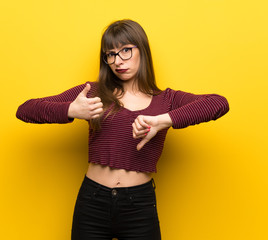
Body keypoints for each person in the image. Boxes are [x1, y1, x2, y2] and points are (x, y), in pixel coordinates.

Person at [16, 19, 229, 240]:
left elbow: (218, 103)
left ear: (142, 51)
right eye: (111, 54)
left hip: (139, 205)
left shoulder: (166, 99)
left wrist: (163, 120)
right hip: (92, 202)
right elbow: (25, 110)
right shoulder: (92, 93)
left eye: (126, 50)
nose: (118, 61)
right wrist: (70, 109)